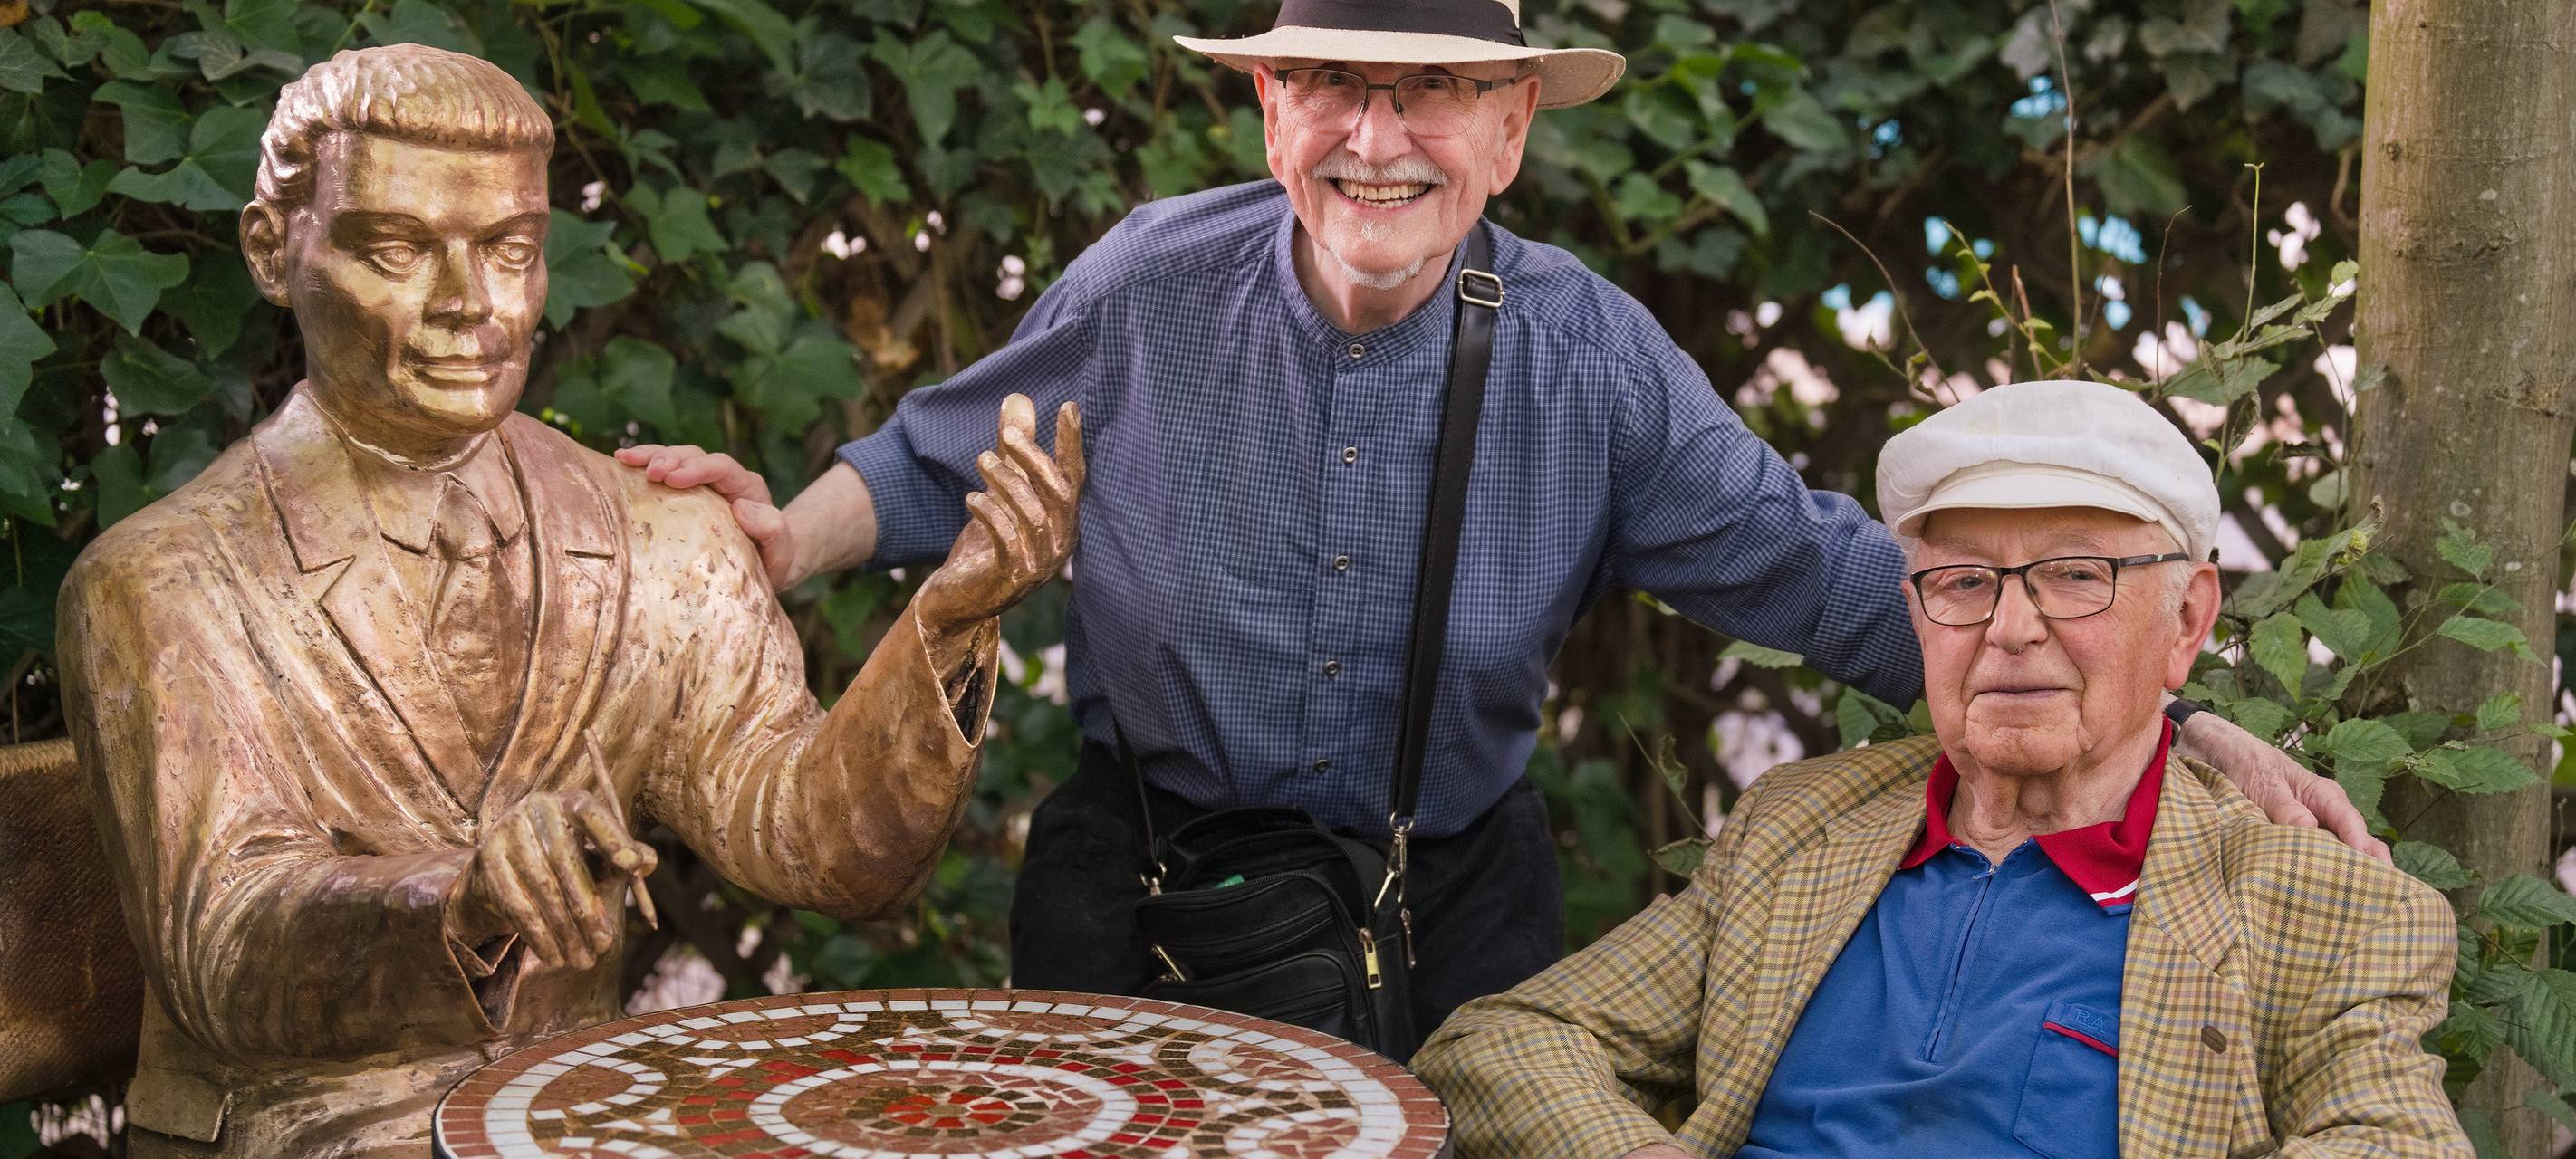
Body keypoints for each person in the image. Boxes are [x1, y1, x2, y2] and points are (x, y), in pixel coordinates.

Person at [618, 0, 2375, 1036]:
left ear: (1514, 127)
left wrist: (2165, 715)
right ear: (1272, 106)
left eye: (1438, 89)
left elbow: (1827, 577)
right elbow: (933, 457)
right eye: (1339, 89)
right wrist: (776, 541)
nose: (1380, 137)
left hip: (1446, 911)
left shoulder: (1593, 360)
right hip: (1137, 895)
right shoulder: (1149, 287)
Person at [54, 45, 1080, 1157]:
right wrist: (464, 896)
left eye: (511, 249)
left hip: (570, 1118)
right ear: (271, 248)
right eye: (397, 248)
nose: (471, 306)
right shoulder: (159, 584)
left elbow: (816, 842)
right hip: (293, 1128)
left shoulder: (657, 535)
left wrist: (950, 622)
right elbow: (223, 946)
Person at [1412, 380, 2468, 1158]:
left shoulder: (2311, 899)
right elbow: (1507, 1039)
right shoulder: (1805, 823)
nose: (2010, 627)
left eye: (2073, 575)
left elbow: (2394, 1142)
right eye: (1962, 581)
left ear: (2189, 616)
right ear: (1915, 612)